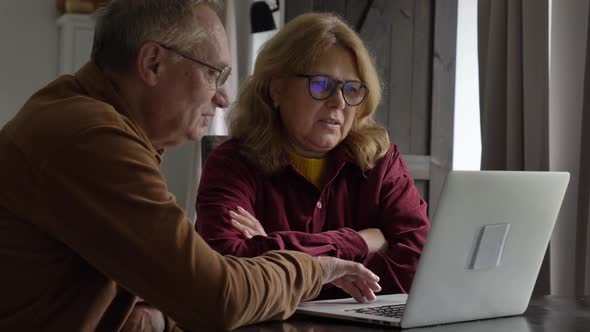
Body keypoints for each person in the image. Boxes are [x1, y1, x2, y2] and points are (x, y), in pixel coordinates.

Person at [0, 1, 383, 331]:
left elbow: (175, 286)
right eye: (213, 73)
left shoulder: (84, 119)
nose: (223, 97)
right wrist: (314, 269)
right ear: (152, 63)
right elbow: (218, 297)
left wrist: (160, 314)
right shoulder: (91, 137)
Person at [196, 12, 430, 299]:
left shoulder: (382, 161)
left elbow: (420, 267)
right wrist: (358, 241)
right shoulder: (232, 163)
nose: (339, 102)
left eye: (352, 89)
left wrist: (272, 252)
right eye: (321, 85)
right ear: (275, 89)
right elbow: (228, 266)